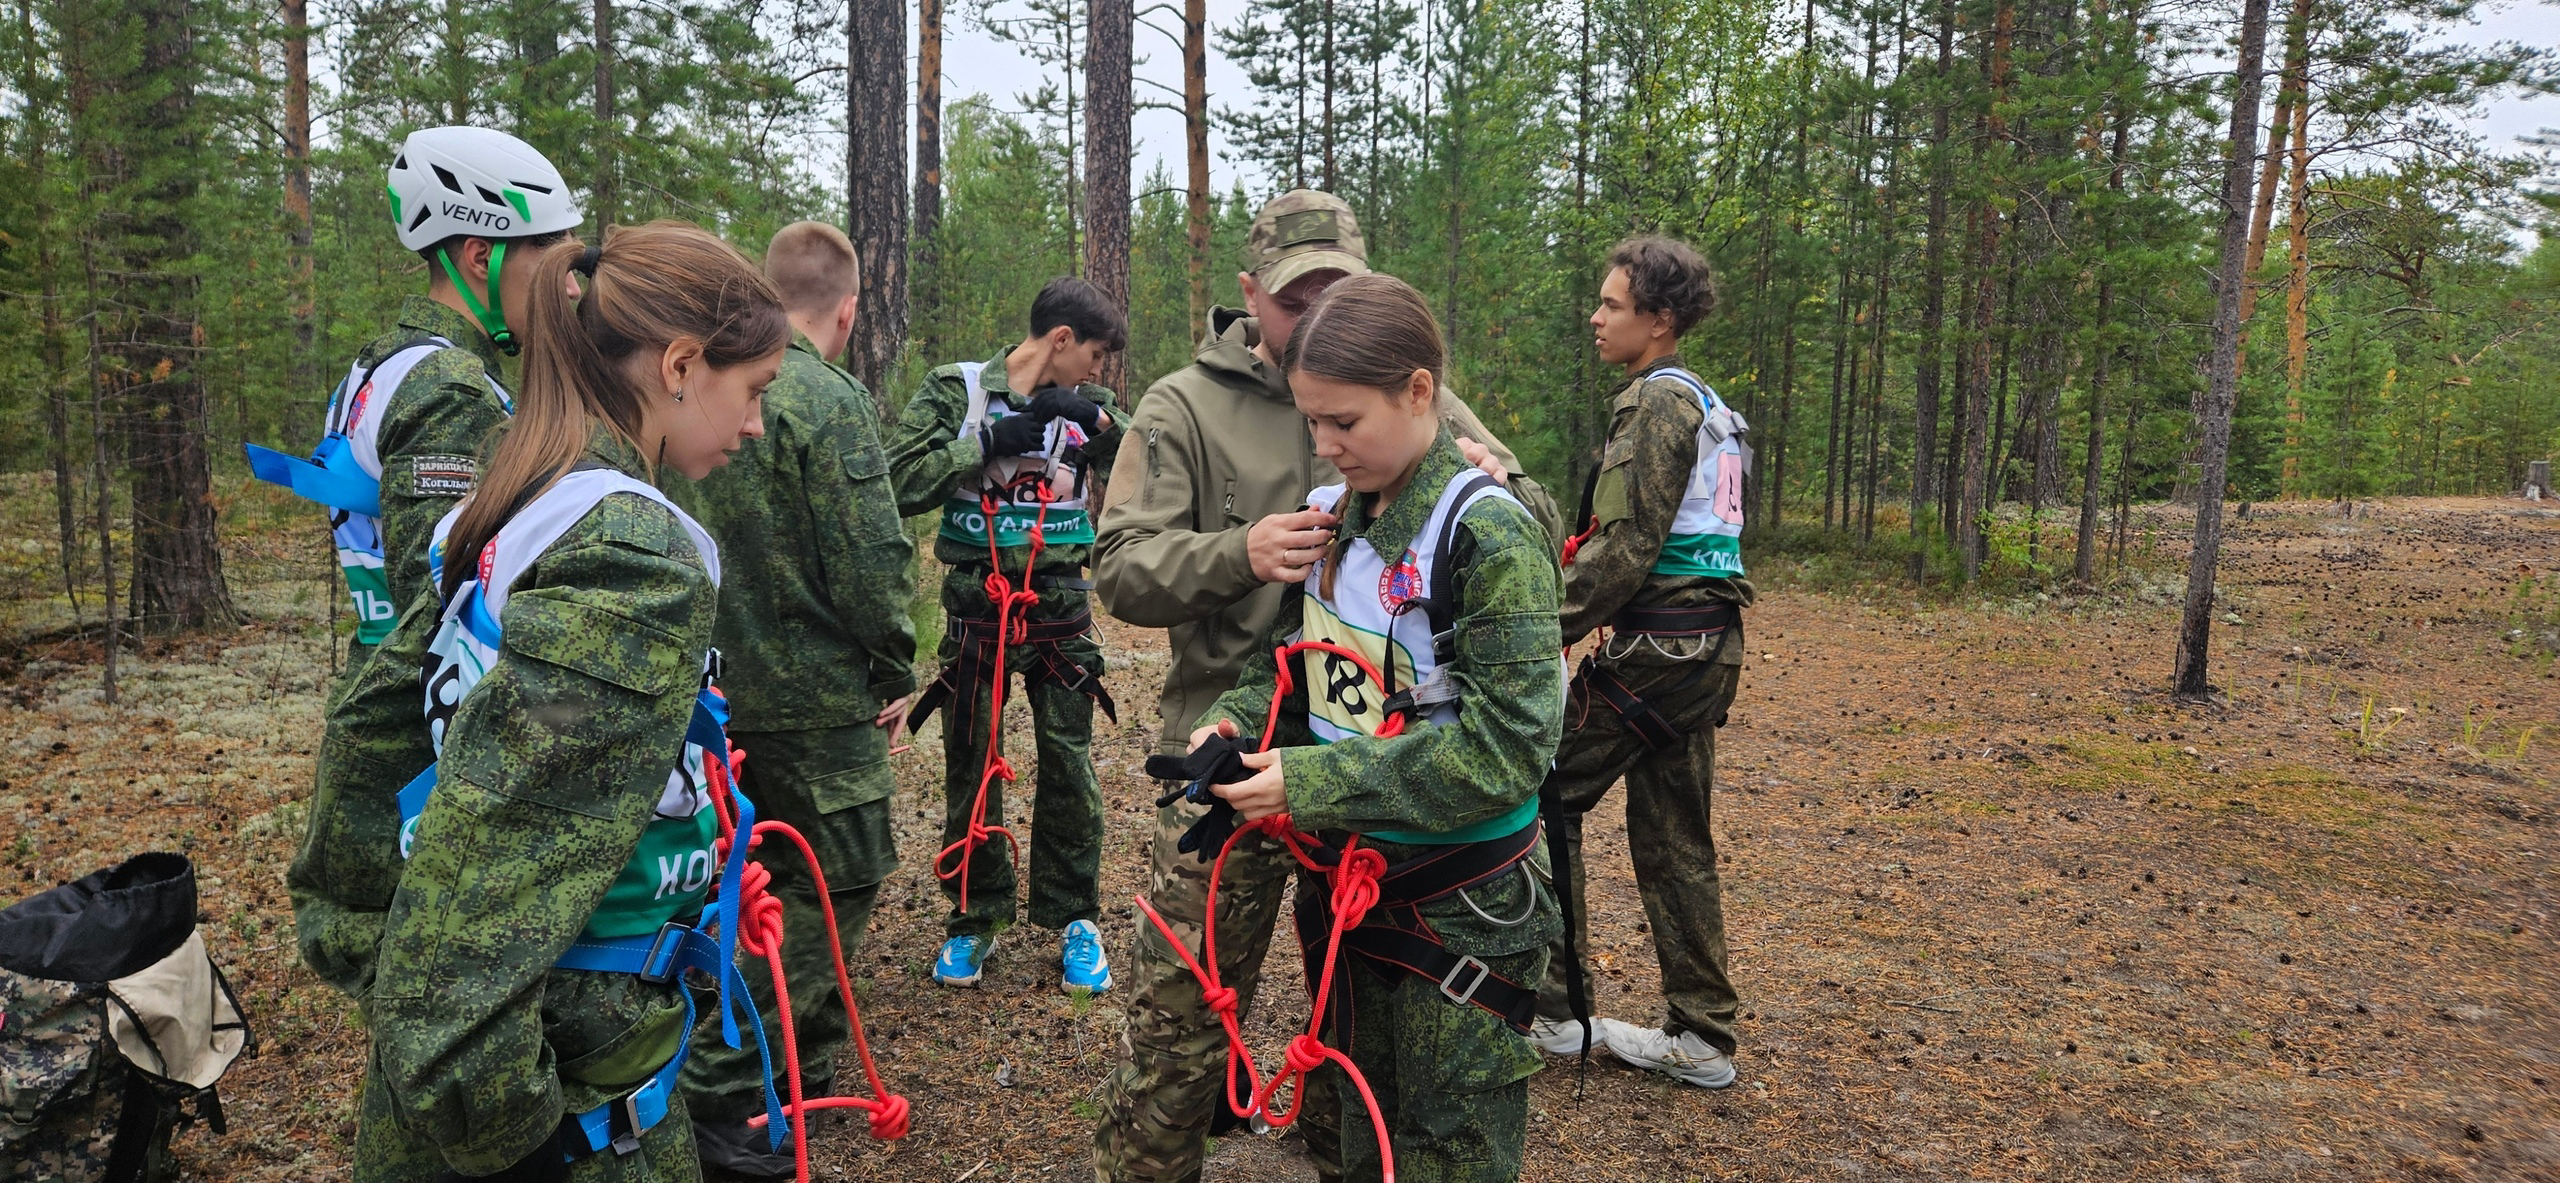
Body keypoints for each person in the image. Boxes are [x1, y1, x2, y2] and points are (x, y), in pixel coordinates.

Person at [1090, 188, 1550, 1183]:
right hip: (1257, 766)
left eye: (1339, 291)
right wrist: (1239, 562)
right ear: (1251, 292)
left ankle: (1340, 1149)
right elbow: (1129, 573)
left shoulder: (1414, 417)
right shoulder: (1186, 408)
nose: (1328, 441)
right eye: (1299, 298)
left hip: (1397, 818)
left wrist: (1495, 492)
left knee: (1375, 1050)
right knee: (1185, 1016)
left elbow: (1520, 551)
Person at [335, 222, 789, 1180]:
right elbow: (506, 826)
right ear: (680, 366)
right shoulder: (633, 557)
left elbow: (372, 733)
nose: (755, 424)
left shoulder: (526, 493)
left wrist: (363, 940)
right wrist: (508, 1132)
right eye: (753, 390)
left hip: (497, 1044)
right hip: (564, 1085)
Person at [662, 221, 916, 1176]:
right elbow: (870, 561)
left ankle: (774, 1065)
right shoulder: (826, 397)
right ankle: (727, 1084)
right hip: (816, 705)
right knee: (830, 885)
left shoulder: (686, 388)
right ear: (847, 309)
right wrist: (894, 667)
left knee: (734, 880)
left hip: (707, 699)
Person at [246, 126, 580, 700]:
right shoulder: (447, 390)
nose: (571, 289)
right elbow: (440, 612)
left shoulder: (386, 362)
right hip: (423, 730)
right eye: (555, 263)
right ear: (482, 257)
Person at [1528, 236, 1753, 1089]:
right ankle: (1702, 1034)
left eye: (1612, 304)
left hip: (1658, 651)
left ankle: (1556, 1010)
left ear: (1658, 321)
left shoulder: (1656, 402)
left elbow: (1626, 547)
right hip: (1704, 650)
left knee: (1544, 788)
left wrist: (1537, 625)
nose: (1595, 317)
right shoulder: (1710, 404)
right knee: (1673, 833)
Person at [887, 277, 1126, 994]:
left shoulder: (1091, 404)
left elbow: (1154, 458)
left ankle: (1074, 916)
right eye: (1092, 355)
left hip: (1060, 610)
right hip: (977, 608)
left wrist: (1095, 419)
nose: (1096, 370)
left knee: (1069, 765)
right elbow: (895, 480)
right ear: (1061, 339)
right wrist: (984, 444)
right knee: (972, 762)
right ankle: (974, 915)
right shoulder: (956, 390)